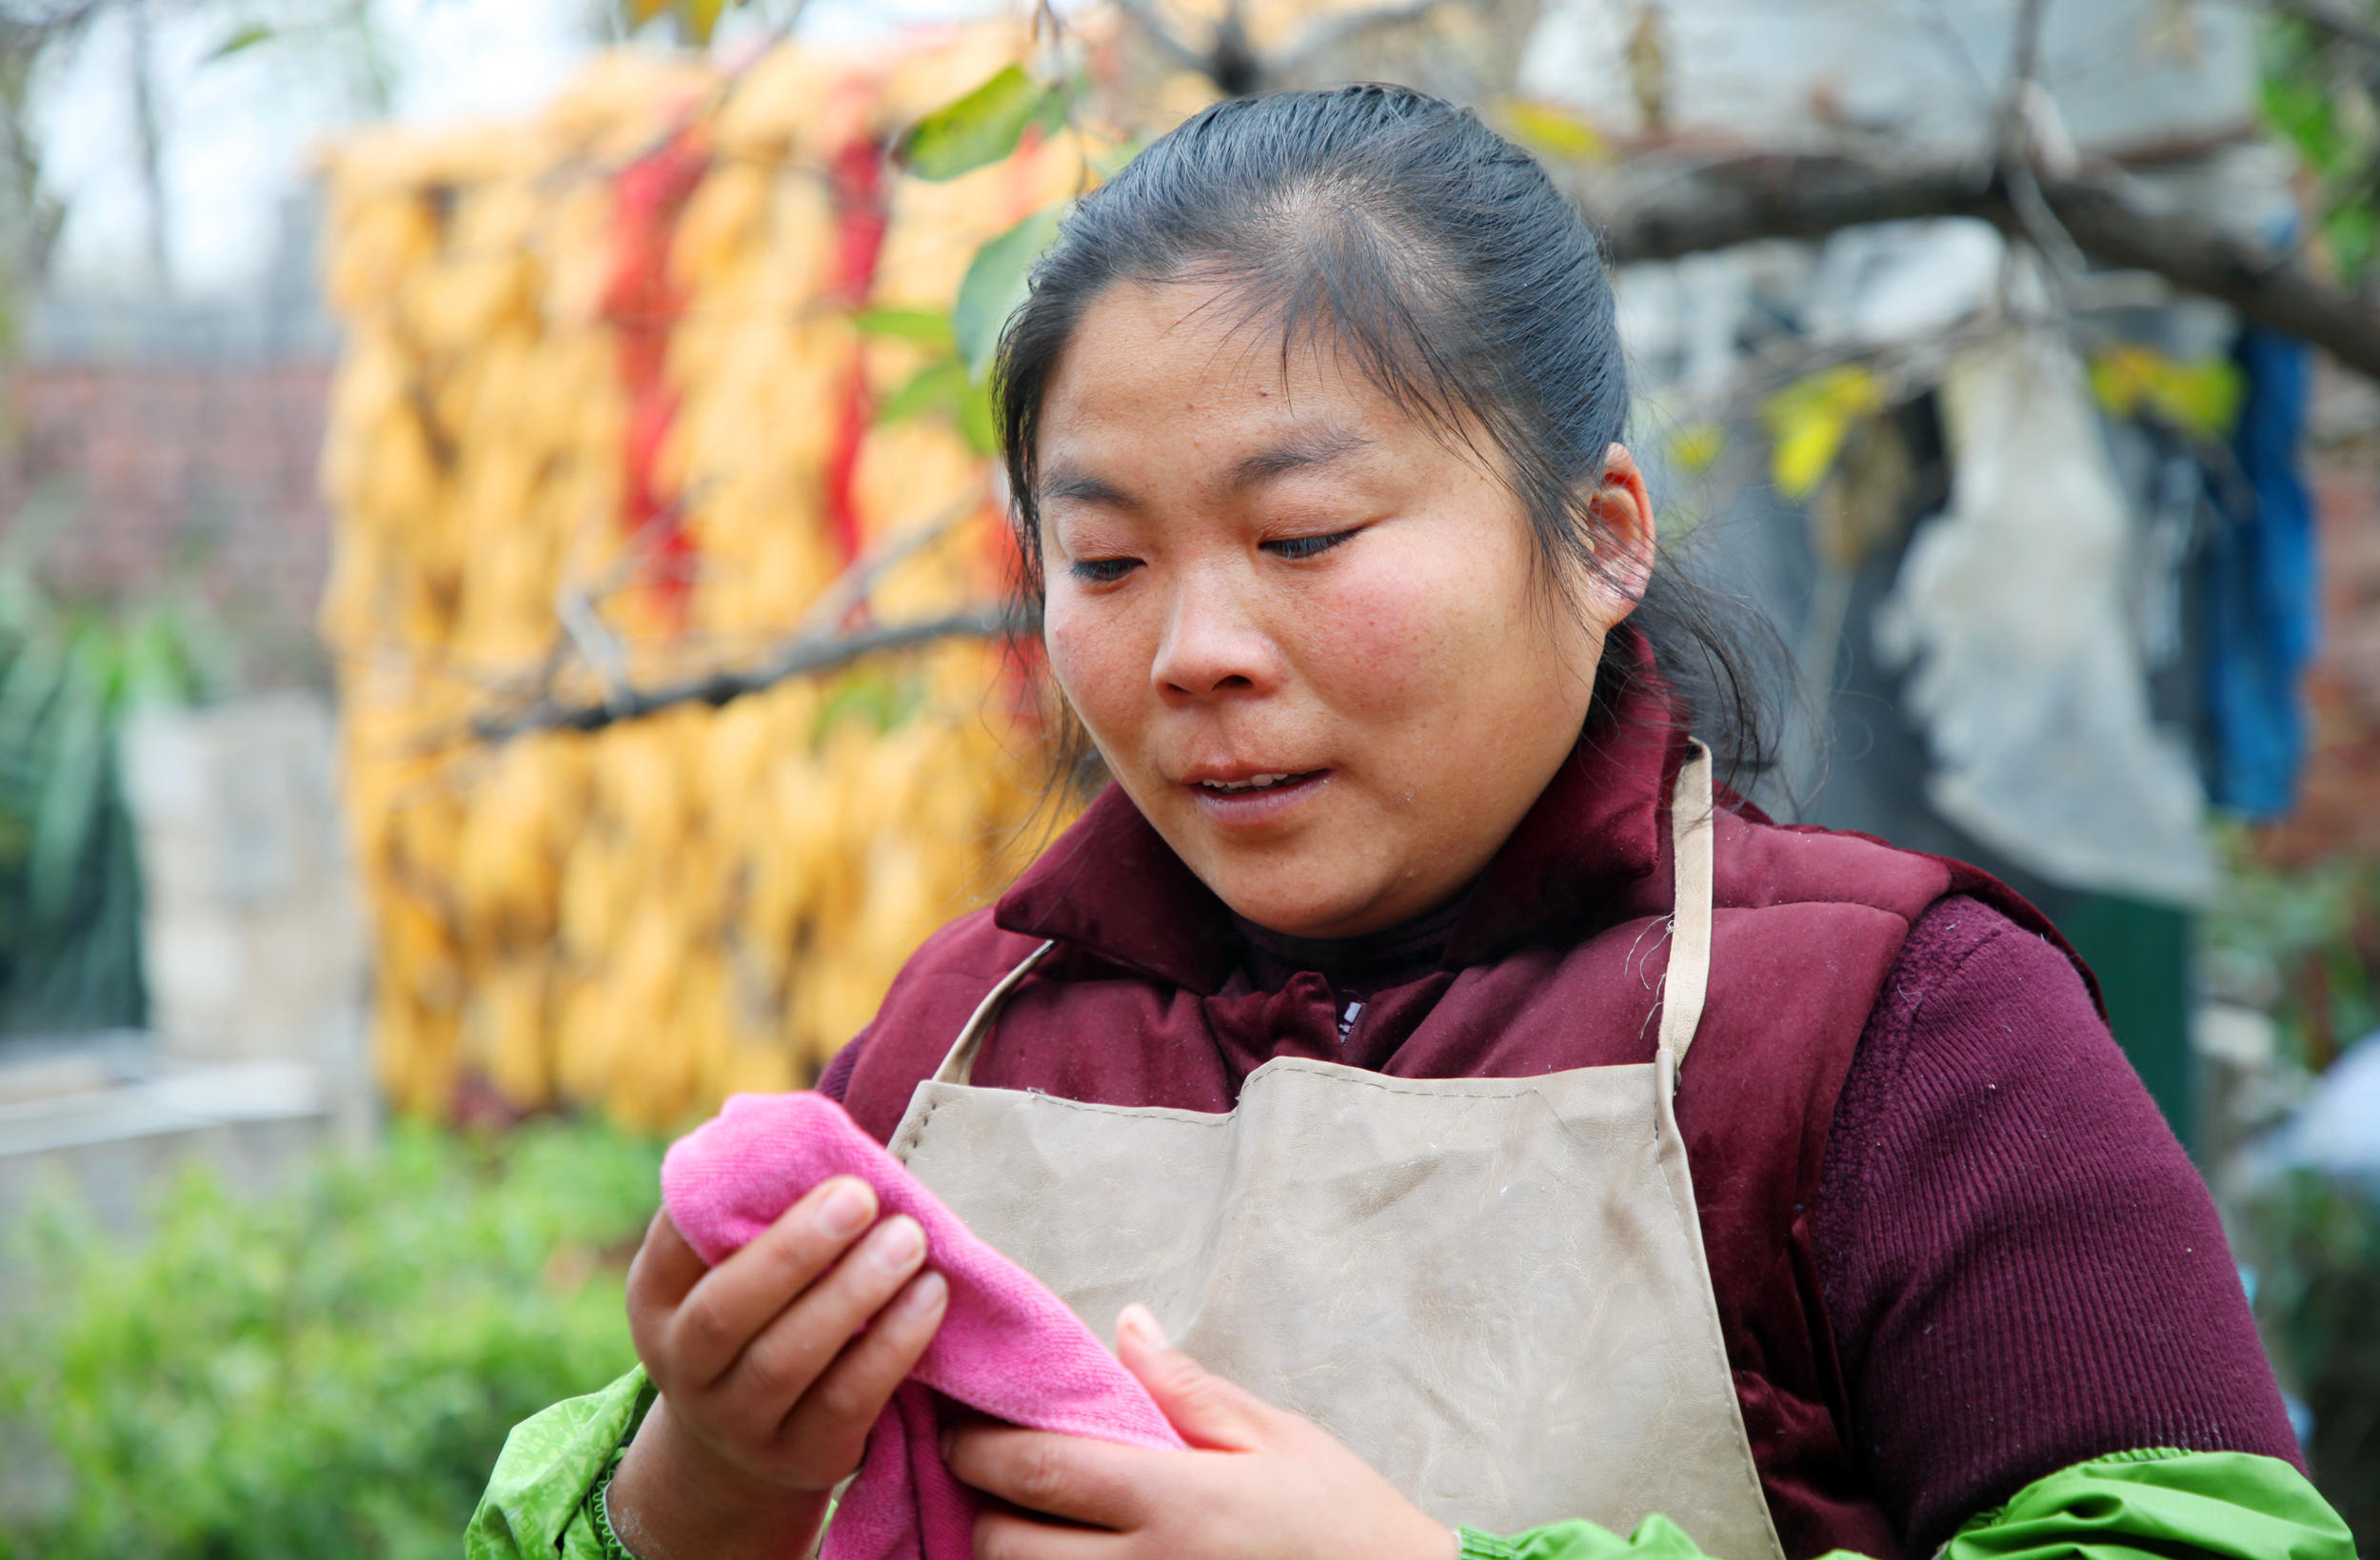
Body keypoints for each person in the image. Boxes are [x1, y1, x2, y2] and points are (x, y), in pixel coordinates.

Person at [469, 86, 2352, 1560]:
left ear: (1600, 533)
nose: (1194, 650)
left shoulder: (1897, 1027)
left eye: (1301, 538)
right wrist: (699, 1486)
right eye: (1105, 557)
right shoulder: (961, 1038)